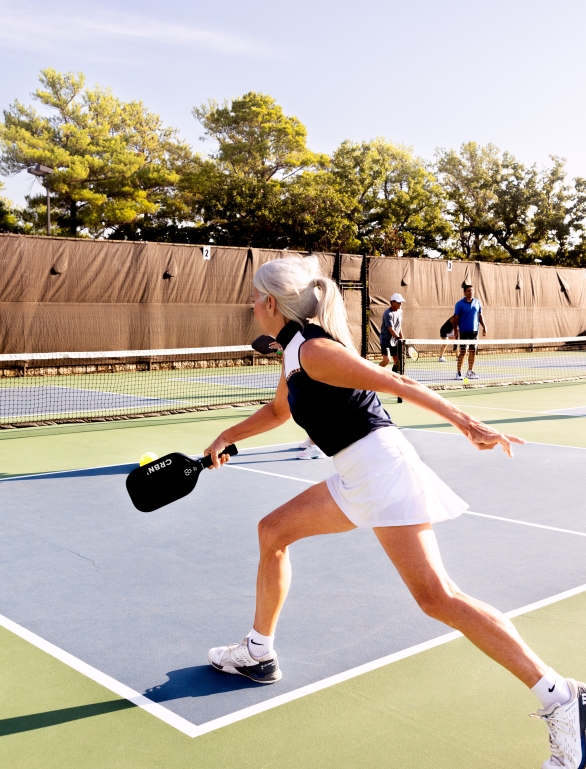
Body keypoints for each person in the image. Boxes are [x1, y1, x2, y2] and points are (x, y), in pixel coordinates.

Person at [204, 255, 585, 769]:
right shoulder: (293, 352)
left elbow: (401, 385)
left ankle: (563, 698)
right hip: (355, 473)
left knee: (438, 598)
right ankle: (257, 651)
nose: (251, 304)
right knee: (272, 531)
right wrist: (229, 435)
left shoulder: (316, 350)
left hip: (381, 470)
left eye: (254, 296)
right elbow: (279, 411)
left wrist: (469, 424)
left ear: (271, 302)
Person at [453, 284, 486, 381]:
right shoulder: (459, 304)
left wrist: (484, 327)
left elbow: (480, 316)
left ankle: (470, 372)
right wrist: (455, 329)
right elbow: (456, 318)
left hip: (474, 332)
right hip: (464, 331)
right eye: (468, 291)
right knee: (463, 352)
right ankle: (458, 373)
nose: (470, 292)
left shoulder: (477, 302)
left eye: (472, 290)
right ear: (464, 292)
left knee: (472, 352)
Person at [379, 293, 404, 372]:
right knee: (386, 360)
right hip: (385, 341)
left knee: (398, 361)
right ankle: (374, 372)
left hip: (395, 341)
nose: (400, 304)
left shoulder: (400, 312)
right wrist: (398, 338)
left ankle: (395, 375)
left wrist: (402, 338)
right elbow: (391, 329)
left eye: (401, 302)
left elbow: (399, 326)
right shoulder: (388, 313)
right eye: (399, 302)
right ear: (393, 302)